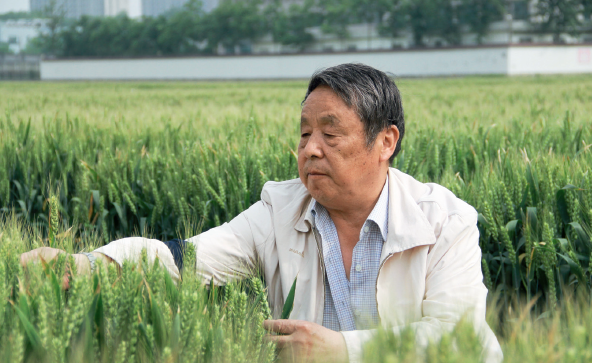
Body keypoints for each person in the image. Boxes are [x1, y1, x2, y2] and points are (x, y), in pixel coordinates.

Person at [21, 63, 502, 363]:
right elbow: (186, 258)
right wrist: (89, 265)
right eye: (303, 133)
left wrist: (341, 351)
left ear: (386, 142)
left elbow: (454, 340)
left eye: (330, 134)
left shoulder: (446, 220)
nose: (310, 149)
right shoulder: (281, 208)